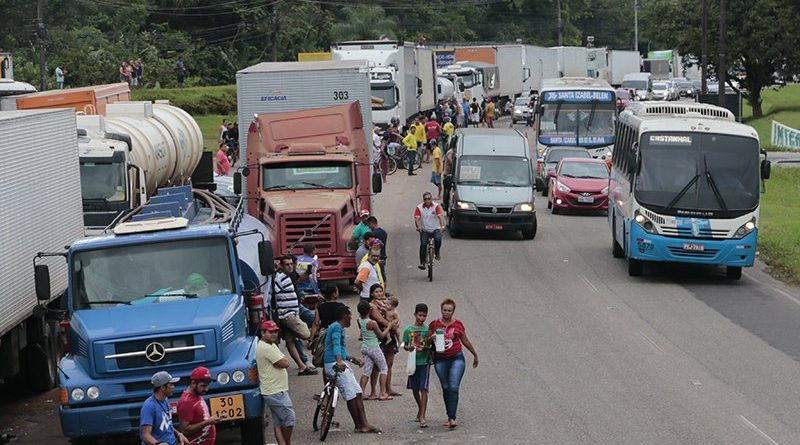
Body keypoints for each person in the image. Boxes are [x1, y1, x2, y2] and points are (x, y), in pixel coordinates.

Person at [324, 305, 381, 434]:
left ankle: (363, 424)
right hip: (334, 364)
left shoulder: (338, 327)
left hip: (339, 362)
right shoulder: (337, 328)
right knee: (351, 395)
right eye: (350, 317)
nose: (351, 319)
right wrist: (339, 361)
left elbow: (340, 350)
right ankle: (359, 425)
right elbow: (336, 345)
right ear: (345, 317)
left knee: (357, 392)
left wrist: (351, 359)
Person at [427, 298, 479, 429]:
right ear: (441, 310)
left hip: (456, 357)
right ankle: (449, 414)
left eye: (449, 310)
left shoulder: (458, 325)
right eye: (444, 310)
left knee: (454, 386)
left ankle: (452, 418)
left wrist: (474, 354)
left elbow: (465, 341)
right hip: (440, 359)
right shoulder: (434, 324)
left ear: (453, 311)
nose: (447, 313)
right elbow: (426, 342)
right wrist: (431, 338)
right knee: (445, 387)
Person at [273, 256, 317, 376]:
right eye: (287, 264)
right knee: (307, 334)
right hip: (288, 315)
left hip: (292, 313)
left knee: (290, 341)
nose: (290, 266)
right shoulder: (279, 278)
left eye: (291, 264)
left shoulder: (288, 276)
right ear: (281, 266)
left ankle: (302, 367)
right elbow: (274, 294)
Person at [256, 320, 295, 445]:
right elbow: (285, 363)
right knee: (289, 419)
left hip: (274, 389)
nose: (274, 334)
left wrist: (281, 362)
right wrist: (282, 362)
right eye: (271, 332)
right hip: (275, 391)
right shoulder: (265, 347)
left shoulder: (271, 345)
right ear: (263, 332)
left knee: (278, 421)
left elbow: (283, 361)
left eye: (276, 332)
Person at [367, 284, 401, 397]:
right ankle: (373, 391)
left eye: (380, 291)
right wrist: (393, 326)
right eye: (376, 292)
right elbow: (381, 320)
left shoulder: (384, 303)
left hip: (389, 335)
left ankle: (388, 388)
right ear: (371, 293)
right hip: (379, 336)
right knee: (377, 366)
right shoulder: (372, 306)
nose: (379, 293)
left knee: (389, 364)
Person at [140, 371, 189, 445]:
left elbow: (167, 424)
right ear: (163, 387)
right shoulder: (149, 406)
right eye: (171, 384)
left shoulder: (165, 400)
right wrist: (158, 444)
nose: (173, 387)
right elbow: (145, 435)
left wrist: (179, 434)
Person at [356, 300, 392, 400]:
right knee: (384, 369)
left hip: (365, 347)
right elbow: (381, 335)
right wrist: (389, 326)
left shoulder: (359, 320)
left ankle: (361, 393)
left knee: (366, 371)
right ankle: (382, 393)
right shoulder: (372, 323)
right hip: (374, 347)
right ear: (370, 310)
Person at [403, 303, 431, 428]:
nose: (421, 318)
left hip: (425, 362)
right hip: (413, 362)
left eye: (424, 316)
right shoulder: (409, 330)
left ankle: (423, 416)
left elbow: (430, 345)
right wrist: (410, 347)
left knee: (423, 388)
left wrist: (427, 346)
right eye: (420, 315)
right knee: (415, 388)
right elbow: (404, 344)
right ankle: (420, 408)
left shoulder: (428, 330)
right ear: (415, 315)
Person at [177, 367, 219, 445]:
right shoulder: (186, 402)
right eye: (203, 386)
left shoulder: (197, 395)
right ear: (193, 383)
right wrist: (208, 422)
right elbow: (185, 430)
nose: (206, 389)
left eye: (207, 386)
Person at [414, 192, 445, 270]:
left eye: (429, 199)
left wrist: (442, 226)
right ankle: (422, 262)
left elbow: (440, 217)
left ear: (431, 199)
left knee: (438, 239)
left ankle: (437, 252)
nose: (427, 200)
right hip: (425, 230)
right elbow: (417, 219)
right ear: (423, 200)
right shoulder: (419, 207)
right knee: (423, 244)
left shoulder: (436, 206)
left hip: (435, 229)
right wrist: (419, 227)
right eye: (425, 199)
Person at [366, 216, 388, 281]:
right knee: (382, 274)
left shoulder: (373, 234)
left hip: (375, 258)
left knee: (377, 275)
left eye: (369, 225)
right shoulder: (384, 232)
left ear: (372, 223)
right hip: (383, 256)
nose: (368, 227)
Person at [442, 146, 456, 212]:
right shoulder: (450, 152)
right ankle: (445, 205)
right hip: (447, 174)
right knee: (446, 191)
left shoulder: (452, 152)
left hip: (451, 174)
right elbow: (450, 160)